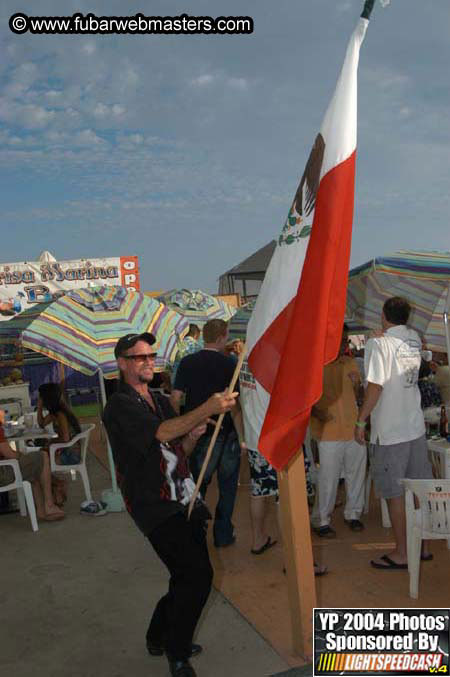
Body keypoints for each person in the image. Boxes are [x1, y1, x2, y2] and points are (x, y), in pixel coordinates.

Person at [103, 332, 237, 677]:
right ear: (122, 364)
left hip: (182, 495)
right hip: (153, 505)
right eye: (140, 358)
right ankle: (177, 653)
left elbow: (178, 453)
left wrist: (191, 437)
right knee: (198, 575)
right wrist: (206, 407)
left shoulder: (160, 401)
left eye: (151, 356)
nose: (149, 362)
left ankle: (157, 635)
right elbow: (161, 434)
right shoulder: (119, 405)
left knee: (184, 575)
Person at [355, 297, 433, 569]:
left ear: (383, 315)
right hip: (414, 427)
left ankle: (401, 552)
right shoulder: (413, 338)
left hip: (389, 431)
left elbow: (375, 386)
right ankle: (421, 547)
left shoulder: (379, 343)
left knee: (395, 494)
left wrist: (361, 420)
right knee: (417, 490)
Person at [170, 319, 243, 548]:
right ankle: (222, 535)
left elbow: (174, 398)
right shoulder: (231, 364)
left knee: (197, 486)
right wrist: (242, 438)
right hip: (227, 433)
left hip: (197, 432)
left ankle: (195, 533)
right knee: (227, 488)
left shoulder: (188, 362)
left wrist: (182, 425)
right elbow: (236, 406)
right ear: (222, 336)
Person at [310, 324, 366, 537]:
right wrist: (317, 413)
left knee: (356, 473)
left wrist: (358, 386)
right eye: (341, 340)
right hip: (328, 431)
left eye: (345, 340)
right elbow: (306, 400)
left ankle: (353, 514)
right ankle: (321, 520)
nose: (344, 344)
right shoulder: (315, 365)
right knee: (328, 477)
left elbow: (360, 397)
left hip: (353, 428)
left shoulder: (350, 362)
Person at [0, 409, 64, 521]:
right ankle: (49, 505)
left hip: (4, 468)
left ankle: (41, 510)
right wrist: (21, 455)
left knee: (34, 467)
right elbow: (9, 454)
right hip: (4, 472)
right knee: (42, 456)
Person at [37, 383, 82, 507]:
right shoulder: (55, 412)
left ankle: (57, 485)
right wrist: (39, 407)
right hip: (66, 450)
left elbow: (66, 439)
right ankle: (56, 486)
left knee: (40, 462)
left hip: (71, 454)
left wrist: (52, 442)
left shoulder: (61, 414)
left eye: (41, 398)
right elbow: (41, 424)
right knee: (41, 455)